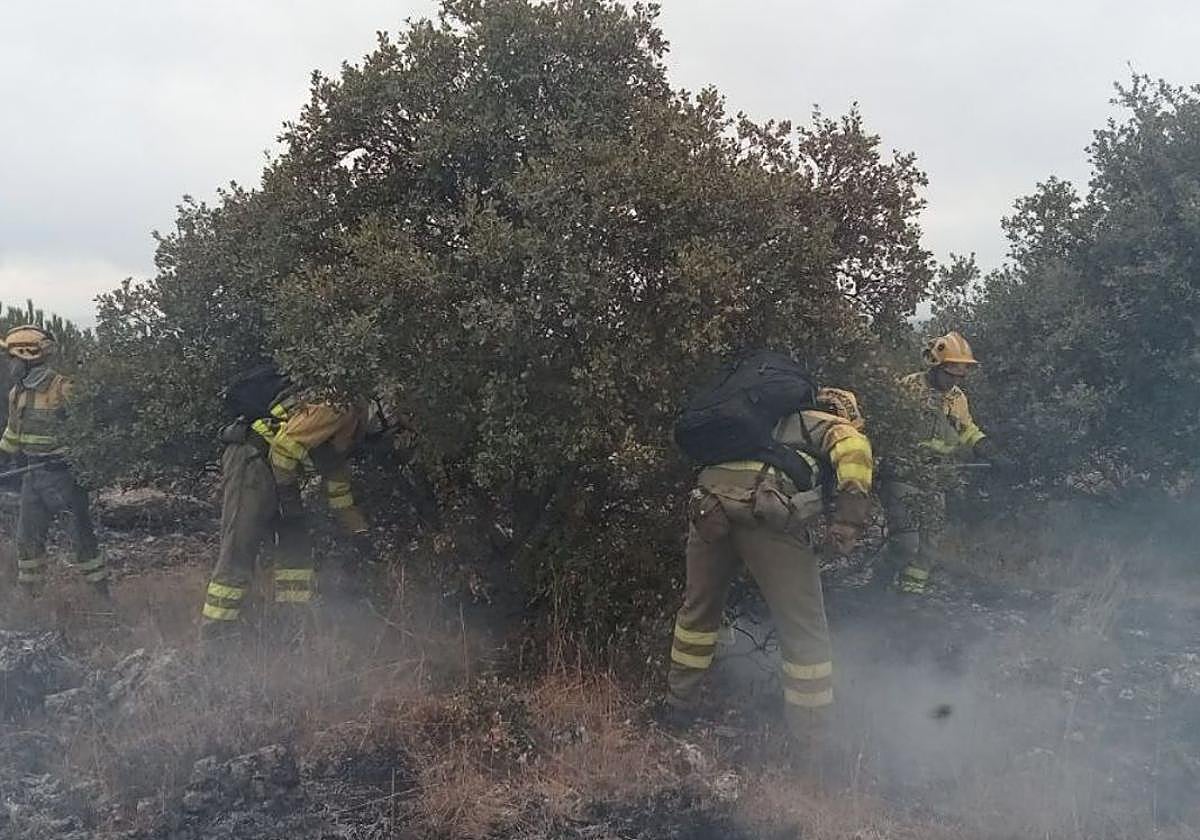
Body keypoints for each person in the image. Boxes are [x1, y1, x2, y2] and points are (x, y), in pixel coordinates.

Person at [665, 385, 873, 743]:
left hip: (708, 504)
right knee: (804, 630)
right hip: (764, 511)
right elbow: (854, 449)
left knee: (697, 613)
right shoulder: (823, 423)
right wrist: (850, 520)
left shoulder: (757, 422)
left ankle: (677, 707)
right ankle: (812, 738)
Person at [200, 364, 373, 636]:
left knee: (296, 547)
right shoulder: (341, 407)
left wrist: (360, 533)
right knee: (240, 545)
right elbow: (284, 447)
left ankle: (290, 628)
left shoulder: (350, 426)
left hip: (278, 469)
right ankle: (216, 637)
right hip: (252, 460)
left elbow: (338, 488)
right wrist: (289, 499)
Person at [881, 331, 1007, 594]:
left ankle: (910, 593)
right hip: (903, 473)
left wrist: (986, 448)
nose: (955, 381)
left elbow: (967, 429)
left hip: (935, 476)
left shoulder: (957, 398)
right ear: (935, 366)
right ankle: (878, 585)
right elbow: (887, 427)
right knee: (906, 541)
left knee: (930, 542)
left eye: (960, 376)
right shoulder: (909, 388)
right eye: (950, 374)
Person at [0, 325, 106, 598]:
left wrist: (75, 462)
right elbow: (12, 435)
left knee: (82, 540)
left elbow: (88, 432)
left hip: (63, 478)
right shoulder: (17, 394)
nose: (9, 364)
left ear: (27, 357)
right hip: (32, 477)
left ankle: (101, 598)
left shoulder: (63, 389)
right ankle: (30, 597)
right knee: (27, 541)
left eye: (12, 358)